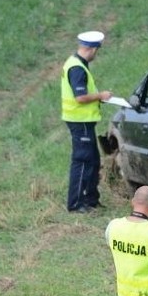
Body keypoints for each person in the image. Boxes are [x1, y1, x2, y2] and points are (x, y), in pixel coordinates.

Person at [61, 30, 112, 213]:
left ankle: (91, 199)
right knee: (82, 161)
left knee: (93, 161)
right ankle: (76, 204)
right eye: (97, 51)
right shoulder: (77, 68)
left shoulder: (76, 63)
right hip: (79, 122)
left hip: (84, 122)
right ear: (92, 49)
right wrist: (101, 95)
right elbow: (80, 97)